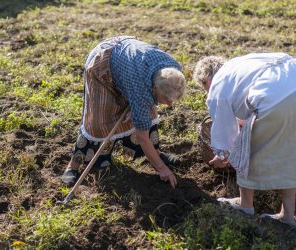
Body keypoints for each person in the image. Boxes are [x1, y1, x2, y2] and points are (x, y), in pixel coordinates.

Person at [61, 35, 186, 189]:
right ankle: (73, 166)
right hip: (102, 66)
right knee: (98, 122)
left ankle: (156, 154)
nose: (169, 104)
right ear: (153, 88)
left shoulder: (173, 69)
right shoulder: (141, 90)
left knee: (148, 114)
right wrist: (162, 170)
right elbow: (142, 137)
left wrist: (138, 110)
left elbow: (145, 107)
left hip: (130, 67)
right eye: (166, 99)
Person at [193, 53, 296, 226]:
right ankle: (287, 215)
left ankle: (245, 204)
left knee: (244, 148)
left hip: (273, 100)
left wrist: (221, 154)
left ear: (206, 82)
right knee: (291, 152)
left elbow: (226, 132)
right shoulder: (240, 65)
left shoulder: (217, 87)